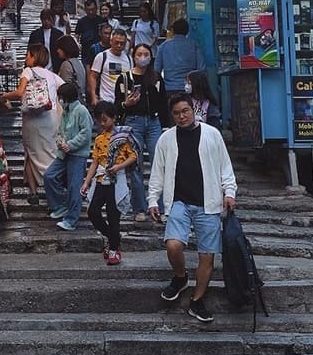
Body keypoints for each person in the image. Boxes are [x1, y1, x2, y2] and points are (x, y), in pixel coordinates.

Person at [148, 93, 237, 324]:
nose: (181, 116)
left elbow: (224, 166)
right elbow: (158, 171)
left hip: (209, 203)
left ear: (193, 109)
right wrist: (152, 199)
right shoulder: (166, 139)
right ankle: (180, 277)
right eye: (176, 113)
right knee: (173, 244)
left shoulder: (212, 134)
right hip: (178, 200)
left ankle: (197, 300)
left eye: (185, 111)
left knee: (207, 255)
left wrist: (229, 192)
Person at [0, 45, 63, 204]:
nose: (25, 58)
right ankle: (45, 190)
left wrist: (4, 96)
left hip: (33, 119)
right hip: (51, 118)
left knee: (30, 152)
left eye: (28, 55)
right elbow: (66, 89)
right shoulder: (52, 75)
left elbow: (20, 92)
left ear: (34, 57)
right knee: (49, 153)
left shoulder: (28, 71)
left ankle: (38, 191)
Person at [115, 43, 168, 221]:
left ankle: (159, 206)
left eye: (146, 54)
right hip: (133, 121)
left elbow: (163, 103)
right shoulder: (125, 78)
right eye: (139, 54)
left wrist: (166, 125)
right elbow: (116, 106)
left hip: (154, 122)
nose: (143, 57)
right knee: (135, 164)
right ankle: (139, 207)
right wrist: (126, 104)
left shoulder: (157, 78)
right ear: (133, 56)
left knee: (158, 163)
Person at [81, 102, 139, 265]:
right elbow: (94, 162)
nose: (102, 123)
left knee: (114, 216)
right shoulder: (99, 139)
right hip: (100, 179)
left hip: (116, 179)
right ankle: (113, 237)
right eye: (100, 120)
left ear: (114, 118)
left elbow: (133, 155)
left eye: (105, 120)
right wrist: (86, 182)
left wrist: (119, 166)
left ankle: (114, 248)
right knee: (93, 212)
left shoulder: (123, 136)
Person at [44, 82, 93, 231]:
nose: (60, 100)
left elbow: (86, 133)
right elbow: (60, 131)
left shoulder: (81, 111)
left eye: (61, 97)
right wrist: (60, 142)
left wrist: (70, 144)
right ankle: (59, 206)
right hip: (63, 154)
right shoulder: (66, 112)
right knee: (49, 176)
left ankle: (72, 220)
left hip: (77, 155)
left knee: (74, 187)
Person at [154, 18, 205, 94]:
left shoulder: (163, 46)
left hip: (170, 88)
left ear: (173, 31)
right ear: (187, 31)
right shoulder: (194, 45)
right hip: (189, 88)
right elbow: (201, 69)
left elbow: (157, 70)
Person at [89, 28, 132, 106]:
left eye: (122, 43)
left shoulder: (129, 59)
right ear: (111, 41)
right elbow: (93, 76)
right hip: (106, 100)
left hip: (122, 101)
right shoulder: (102, 56)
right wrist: (93, 96)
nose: (119, 45)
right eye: (116, 42)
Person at [75, 0, 104, 87]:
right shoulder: (81, 21)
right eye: (88, 10)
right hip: (86, 52)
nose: (91, 12)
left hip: (100, 51)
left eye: (93, 9)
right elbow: (77, 35)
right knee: (87, 75)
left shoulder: (101, 20)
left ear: (96, 9)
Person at [53, 34, 86, 101]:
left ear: (65, 48)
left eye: (59, 48)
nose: (57, 51)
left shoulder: (66, 65)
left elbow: (64, 87)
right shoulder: (79, 63)